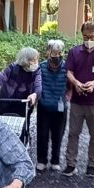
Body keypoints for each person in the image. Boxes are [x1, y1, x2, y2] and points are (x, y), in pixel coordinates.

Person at [63, 22, 94, 177]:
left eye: (92, 37)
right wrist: (76, 83)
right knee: (73, 133)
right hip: (77, 100)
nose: (89, 40)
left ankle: (92, 165)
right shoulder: (74, 51)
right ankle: (70, 164)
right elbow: (69, 71)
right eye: (85, 37)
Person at [36, 39, 68, 172]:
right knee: (42, 134)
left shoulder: (67, 67)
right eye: (54, 52)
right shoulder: (41, 67)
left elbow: (71, 85)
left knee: (58, 135)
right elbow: (36, 84)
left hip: (60, 107)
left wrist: (68, 97)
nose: (57, 55)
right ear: (48, 52)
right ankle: (41, 160)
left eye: (59, 52)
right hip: (44, 106)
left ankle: (55, 160)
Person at [0, 47, 41, 115]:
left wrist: (35, 94)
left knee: (24, 121)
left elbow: (38, 86)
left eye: (36, 60)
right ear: (25, 61)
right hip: (7, 102)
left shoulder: (37, 71)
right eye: (33, 60)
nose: (36, 63)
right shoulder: (13, 68)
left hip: (25, 104)